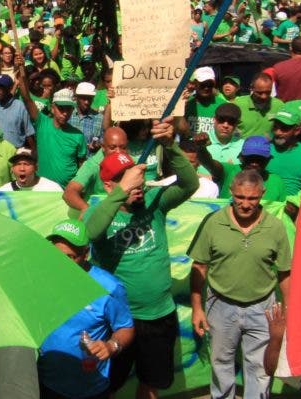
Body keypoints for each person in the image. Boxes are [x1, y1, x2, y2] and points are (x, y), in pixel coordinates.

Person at [83, 117, 199, 399]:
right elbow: (90, 230)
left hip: (159, 315)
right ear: (110, 186)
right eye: (125, 179)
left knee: (151, 384)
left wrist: (170, 146)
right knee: (106, 385)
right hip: (116, 320)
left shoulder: (154, 203)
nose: (136, 185)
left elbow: (190, 183)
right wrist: (122, 190)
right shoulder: (99, 212)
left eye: (135, 176)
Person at [189, 169, 291, 399]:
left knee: (261, 369)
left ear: (262, 194)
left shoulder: (275, 227)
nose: (246, 204)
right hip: (220, 306)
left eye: (252, 198)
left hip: (262, 307)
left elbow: (285, 273)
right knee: (221, 364)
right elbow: (199, 267)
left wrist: (289, 312)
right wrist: (197, 307)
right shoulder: (214, 223)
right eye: (240, 197)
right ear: (231, 193)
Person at [38, 220, 135, 399]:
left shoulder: (109, 287)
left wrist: (111, 345)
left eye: (69, 257)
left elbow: (125, 327)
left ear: (85, 253)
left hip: (90, 388)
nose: (61, 263)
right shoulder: (41, 277)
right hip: (46, 382)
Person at [63, 126, 129, 218]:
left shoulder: (132, 163)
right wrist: (85, 209)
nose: (118, 152)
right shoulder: (92, 165)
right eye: (112, 147)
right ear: (103, 147)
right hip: (95, 215)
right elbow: (69, 193)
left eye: (123, 147)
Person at [0, 74, 35, 149]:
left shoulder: (20, 106)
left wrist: (34, 151)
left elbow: (29, 132)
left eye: (1, 87)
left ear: (10, 88)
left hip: (15, 152)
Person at [180, 67, 228, 137]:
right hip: (188, 146)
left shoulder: (223, 105)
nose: (206, 88)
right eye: (203, 84)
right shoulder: (186, 103)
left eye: (210, 85)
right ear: (195, 84)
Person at [233, 73, 285, 138]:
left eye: (268, 92)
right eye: (259, 93)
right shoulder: (238, 104)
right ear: (251, 88)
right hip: (243, 146)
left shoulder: (279, 105)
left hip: (267, 146)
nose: (264, 96)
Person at [0, 147, 64, 192]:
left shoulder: (52, 189)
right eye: (18, 164)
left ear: (36, 167)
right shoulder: (4, 192)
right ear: (12, 169)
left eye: (26, 164)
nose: (22, 168)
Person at [69, 81, 111, 152]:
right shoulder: (68, 116)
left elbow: (104, 141)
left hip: (90, 160)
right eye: (83, 98)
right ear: (76, 97)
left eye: (89, 98)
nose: (86, 102)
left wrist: (97, 145)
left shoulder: (99, 118)